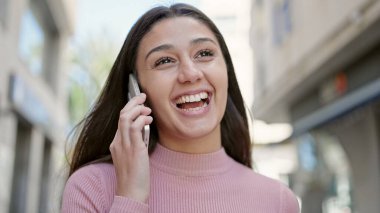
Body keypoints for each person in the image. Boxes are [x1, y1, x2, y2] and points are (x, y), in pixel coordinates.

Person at [61, 3, 299, 213]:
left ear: (226, 71)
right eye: (164, 61)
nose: (190, 74)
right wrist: (130, 198)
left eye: (204, 53)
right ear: (135, 89)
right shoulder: (92, 188)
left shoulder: (279, 201)